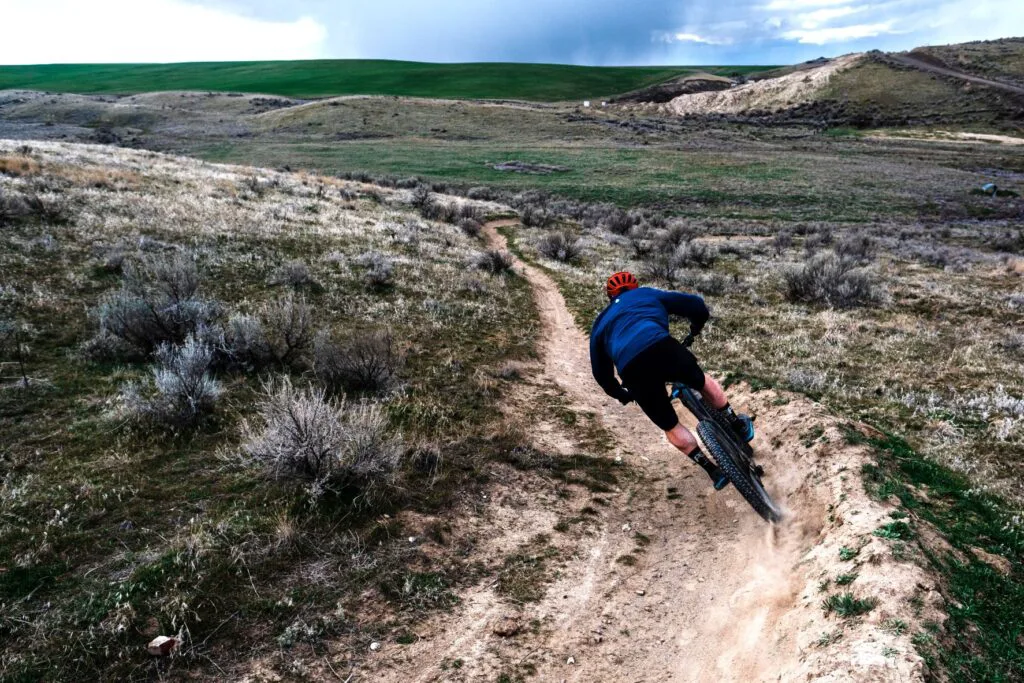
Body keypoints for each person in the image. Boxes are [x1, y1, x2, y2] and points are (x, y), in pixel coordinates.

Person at [589, 271, 754, 490]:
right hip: (660, 346)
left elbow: (602, 374)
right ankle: (736, 423)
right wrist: (696, 327)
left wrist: (623, 394)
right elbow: (696, 305)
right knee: (701, 381)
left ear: (610, 297)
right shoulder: (646, 295)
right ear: (635, 287)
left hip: (632, 369)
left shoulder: (600, 323)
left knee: (669, 424)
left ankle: (712, 470)